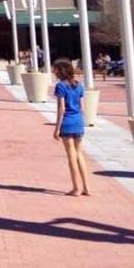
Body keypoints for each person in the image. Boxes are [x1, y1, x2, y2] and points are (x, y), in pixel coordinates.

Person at [52, 58, 91, 196]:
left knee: (71, 155)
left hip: (67, 122)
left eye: (55, 69)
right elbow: (82, 107)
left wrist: (57, 128)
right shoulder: (78, 85)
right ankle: (86, 186)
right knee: (80, 154)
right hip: (78, 121)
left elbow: (61, 108)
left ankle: (76, 188)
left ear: (60, 71)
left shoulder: (60, 86)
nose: (53, 71)